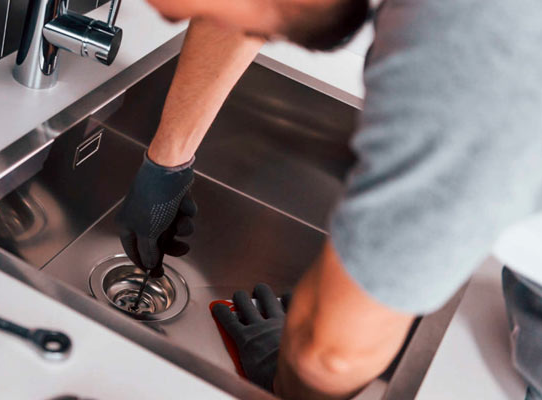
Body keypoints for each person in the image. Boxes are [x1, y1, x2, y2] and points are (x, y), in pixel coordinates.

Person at [116, 0, 542, 398]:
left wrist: (288, 374)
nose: (175, 22)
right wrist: (167, 162)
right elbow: (241, 11)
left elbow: (335, 357)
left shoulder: (461, 44)